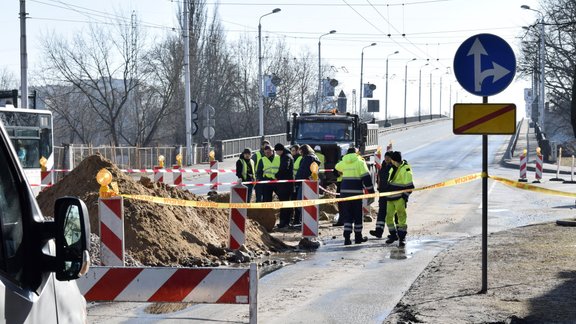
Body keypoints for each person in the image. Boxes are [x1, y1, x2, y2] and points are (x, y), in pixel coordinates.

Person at [335, 147, 375, 245]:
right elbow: (366, 178)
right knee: (357, 215)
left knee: (347, 215)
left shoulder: (343, 161)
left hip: (344, 193)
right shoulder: (360, 162)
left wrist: (341, 171)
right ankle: (358, 238)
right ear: (356, 153)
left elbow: (336, 168)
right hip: (356, 192)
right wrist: (371, 191)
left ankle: (347, 238)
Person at [384, 151, 414, 247]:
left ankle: (402, 238)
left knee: (401, 219)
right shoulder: (392, 168)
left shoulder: (405, 169)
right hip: (390, 198)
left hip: (399, 198)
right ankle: (393, 235)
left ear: (394, 160)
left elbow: (410, 186)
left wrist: (404, 197)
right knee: (388, 218)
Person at [370, 151, 395, 238]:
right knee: (381, 212)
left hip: (391, 194)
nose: (387, 159)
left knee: (392, 214)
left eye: (388, 157)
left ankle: (394, 233)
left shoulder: (394, 168)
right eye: (386, 157)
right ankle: (378, 231)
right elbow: (379, 179)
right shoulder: (383, 167)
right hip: (382, 193)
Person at [274, 143, 294, 229]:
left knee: (284, 203)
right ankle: (286, 222)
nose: (276, 153)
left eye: (276, 151)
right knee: (286, 203)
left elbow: (284, 168)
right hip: (287, 184)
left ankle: (284, 222)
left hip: (285, 184)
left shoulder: (286, 157)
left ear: (280, 150)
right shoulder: (287, 155)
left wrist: (277, 175)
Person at [290, 144, 302, 226]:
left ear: (298, 150)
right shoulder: (292, 158)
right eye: (292, 150)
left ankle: (297, 219)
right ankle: (293, 219)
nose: (292, 152)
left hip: (298, 183)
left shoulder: (300, 158)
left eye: (294, 150)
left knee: (298, 202)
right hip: (292, 182)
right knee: (292, 201)